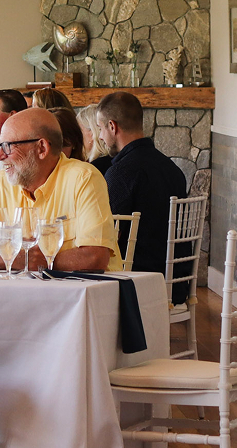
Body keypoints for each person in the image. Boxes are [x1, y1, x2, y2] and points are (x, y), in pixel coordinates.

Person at [0, 108, 121, 272]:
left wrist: (40, 261)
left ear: (41, 148)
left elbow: (95, 257)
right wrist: (19, 258)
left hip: (84, 293)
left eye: (7, 146)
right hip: (19, 292)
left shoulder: (84, 178)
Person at [96, 92, 188, 299]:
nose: (100, 137)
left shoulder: (121, 173)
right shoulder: (172, 169)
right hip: (176, 282)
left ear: (112, 126)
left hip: (136, 283)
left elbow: (107, 233)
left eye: (101, 129)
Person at [76, 103, 113, 174]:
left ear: (92, 134)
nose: (76, 136)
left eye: (79, 131)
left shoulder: (94, 168)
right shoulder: (115, 159)